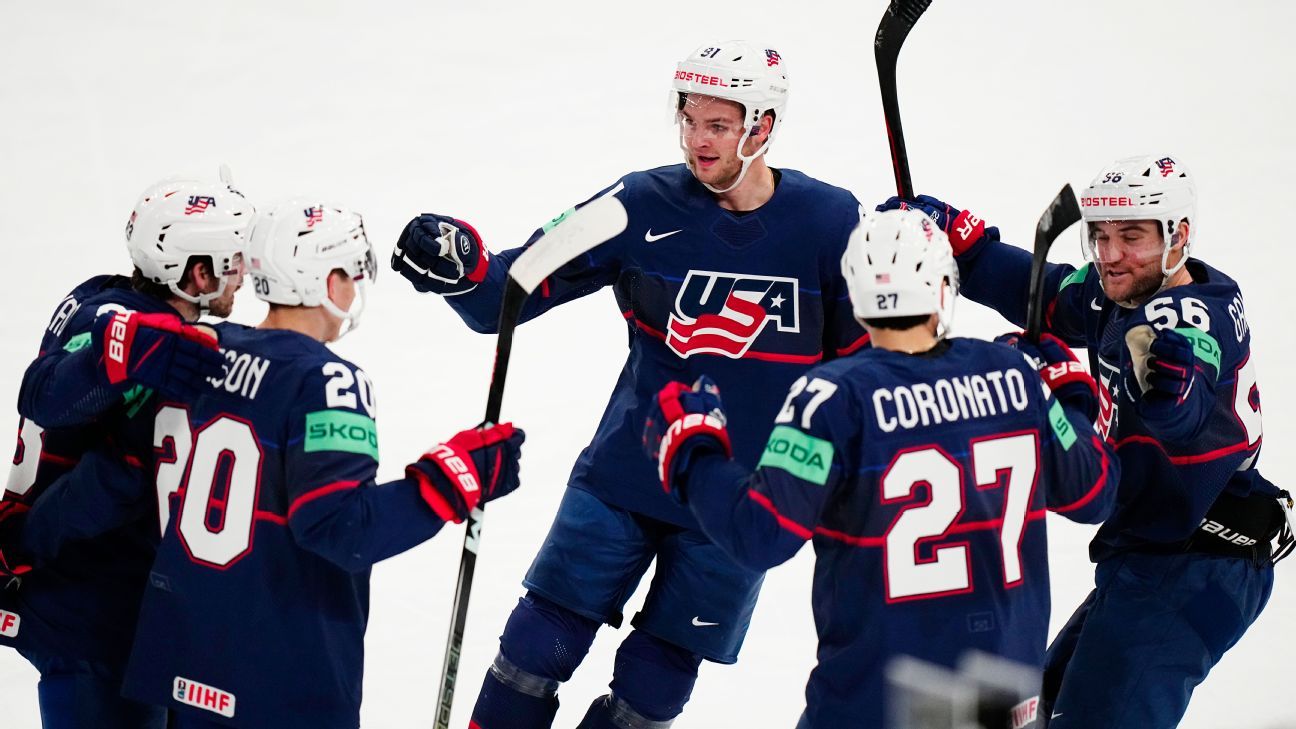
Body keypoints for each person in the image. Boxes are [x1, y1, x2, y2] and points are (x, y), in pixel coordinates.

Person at [390, 40, 868, 728]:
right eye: (688, 119)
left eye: (718, 125)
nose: (696, 140)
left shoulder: (830, 222)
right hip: (625, 475)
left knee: (655, 688)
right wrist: (463, 270)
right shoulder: (637, 203)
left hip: (740, 502)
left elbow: (865, 368)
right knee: (535, 644)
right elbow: (511, 287)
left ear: (762, 127)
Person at [19, 200, 528, 728]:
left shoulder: (197, 354)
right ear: (328, 283)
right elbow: (344, 528)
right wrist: (460, 476)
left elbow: (114, 473)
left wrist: (26, 539)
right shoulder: (328, 382)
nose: (356, 289)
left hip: (186, 665)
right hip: (282, 677)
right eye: (353, 274)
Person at [643, 207, 1119, 728]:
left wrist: (693, 452)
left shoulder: (833, 397)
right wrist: (1071, 396)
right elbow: (1092, 493)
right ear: (943, 287)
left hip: (875, 706)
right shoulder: (1015, 377)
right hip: (1000, 708)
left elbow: (761, 534)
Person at [880, 154, 1289, 728]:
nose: (1111, 254)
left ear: (1180, 236)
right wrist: (965, 247)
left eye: (1132, 236)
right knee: (1032, 713)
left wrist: (1168, 399)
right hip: (1154, 557)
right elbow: (1047, 295)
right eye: (1100, 236)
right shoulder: (1119, 290)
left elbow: (1188, 392)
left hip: (1199, 569)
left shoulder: (1188, 320)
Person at [1, 173, 250, 729]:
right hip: (89, 608)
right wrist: (124, 351)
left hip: (110, 605)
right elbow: (46, 398)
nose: (244, 272)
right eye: (230, 260)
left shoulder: (97, 294)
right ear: (197, 272)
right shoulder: (129, 326)